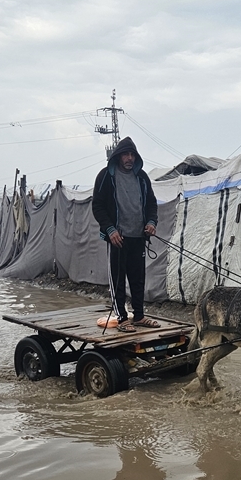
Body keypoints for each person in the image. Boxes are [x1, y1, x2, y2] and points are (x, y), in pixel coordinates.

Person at [92, 137, 160, 333]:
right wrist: (110, 229)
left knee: (138, 278)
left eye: (132, 155)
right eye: (125, 154)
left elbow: (151, 204)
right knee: (118, 278)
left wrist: (151, 222)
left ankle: (139, 316)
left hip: (138, 236)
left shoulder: (142, 178)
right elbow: (98, 206)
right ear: (118, 156)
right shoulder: (106, 176)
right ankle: (122, 318)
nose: (129, 158)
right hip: (117, 238)